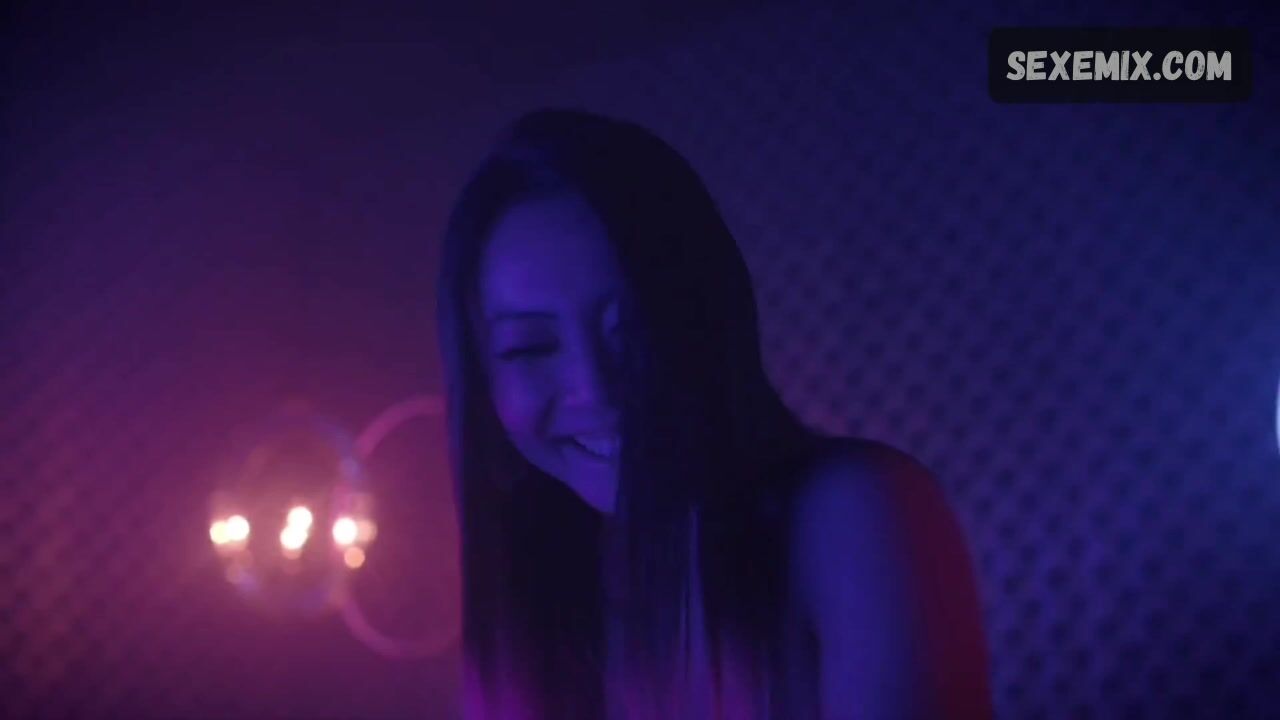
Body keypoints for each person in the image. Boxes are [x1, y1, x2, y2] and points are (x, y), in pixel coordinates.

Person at [436, 108, 991, 719]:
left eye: (633, 327)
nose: (592, 388)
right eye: (532, 347)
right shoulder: (533, 595)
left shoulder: (854, 512)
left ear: (706, 320)